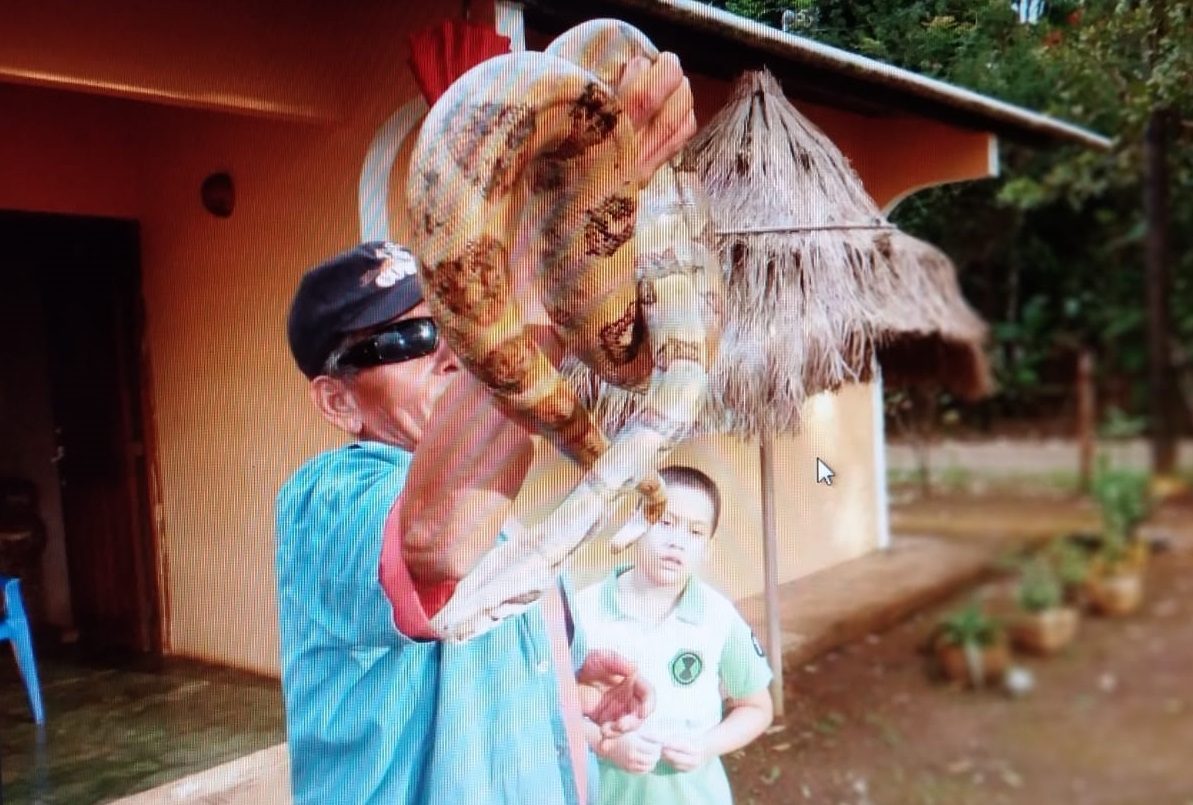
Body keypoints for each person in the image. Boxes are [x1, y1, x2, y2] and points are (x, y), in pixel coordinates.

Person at [274, 51, 699, 805]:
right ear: (337, 403)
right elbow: (434, 545)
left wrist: (571, 676)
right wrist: (565, 235)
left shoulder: (492, 513)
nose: (449, 350)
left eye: (451, 320)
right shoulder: (324, 499)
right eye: (404, 341)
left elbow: (481, 594)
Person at [575, 466, 775, 805]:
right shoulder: (584, 610)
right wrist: (603, 743)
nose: (676, 541)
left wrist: (707, 745)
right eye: (665, 522)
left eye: (695, 532)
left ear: (708, 548)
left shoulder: (719, 616)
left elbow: (756, 707)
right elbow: (555, 707)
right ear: (636, 523)